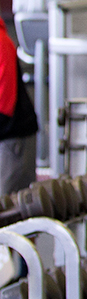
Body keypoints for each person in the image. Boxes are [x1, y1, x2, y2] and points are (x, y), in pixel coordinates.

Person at [0, 16, 39, 284]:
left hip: (14, 138)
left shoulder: (2, 42)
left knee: (12, 209)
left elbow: (5, 102)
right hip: (5, 135)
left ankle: (24, 282)